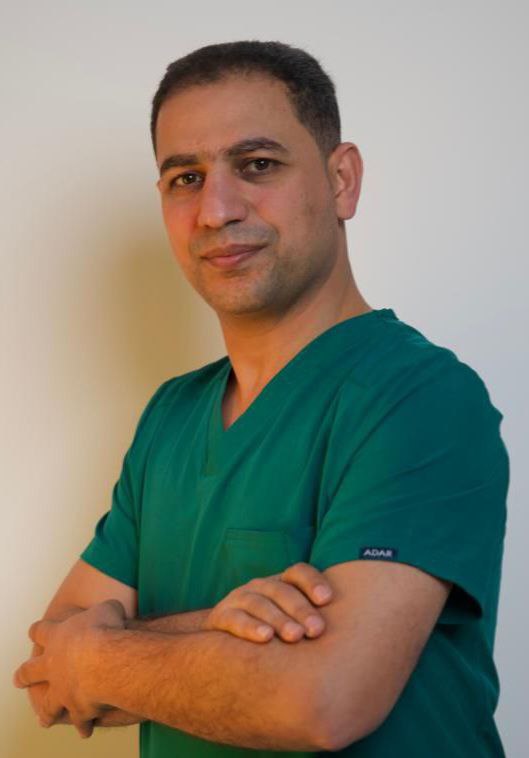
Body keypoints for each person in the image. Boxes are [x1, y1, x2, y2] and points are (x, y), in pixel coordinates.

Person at [14, 40, 510, 757]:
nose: (215, 210)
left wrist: (99, 656)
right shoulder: (171, 416)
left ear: (341, 181)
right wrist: (211, 625)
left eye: (256, 165)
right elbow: (44, 673)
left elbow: (322, 700)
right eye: (186, 178)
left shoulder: (419, 398)